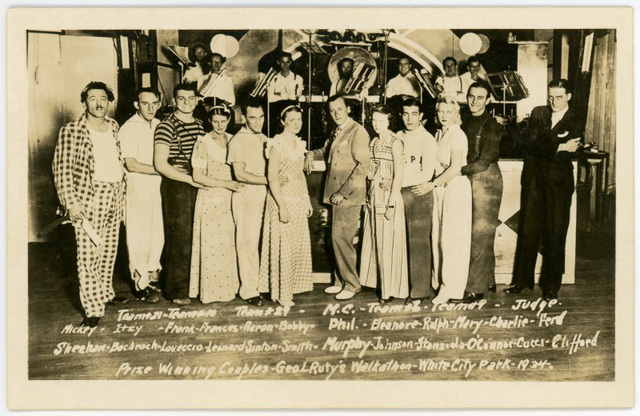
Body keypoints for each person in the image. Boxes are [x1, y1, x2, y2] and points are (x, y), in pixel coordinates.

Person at [52, 81, 128, 327]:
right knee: (88, 254)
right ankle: (93, 309)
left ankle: (104, 295)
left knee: (108, 251)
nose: (98, 103)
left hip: (114, 195)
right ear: (84, 102)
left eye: (103, 98)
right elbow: (61, 171)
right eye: (93, 98)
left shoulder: (114, 126)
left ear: (109, 102)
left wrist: (123, 195)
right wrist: (72, 204)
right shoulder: (71, 130)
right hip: (88, 199)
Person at [506, 79, 582, 301]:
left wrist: (545, 144)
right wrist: (558, 145)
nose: (554, 101)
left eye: (559, 97)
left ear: (568, 96)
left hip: (559, 184)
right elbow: (527, 143)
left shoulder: (576, 118)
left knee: (555, 234)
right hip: (534, 182)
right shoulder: (539, 113)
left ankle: (551, 287)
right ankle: (521, 281)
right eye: (551, 96)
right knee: (528, 231)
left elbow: (569, 147)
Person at [304, 95, 370, 301]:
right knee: (336, 239)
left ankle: (352, 284)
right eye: (332, 111)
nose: (336, 114)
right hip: (337, 196)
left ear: (348, 109)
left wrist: (343, 193)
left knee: (342, 239)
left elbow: (364, 167)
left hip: (348, 196)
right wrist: (309, 154)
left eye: (339, 109)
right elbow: (325, 152)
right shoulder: (336, 131)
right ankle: (340, 281)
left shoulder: (358, 131)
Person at [154, 83, 207, 306]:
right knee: (180, 238)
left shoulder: (200, 125)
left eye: (191, 98)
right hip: (177, 184)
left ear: (196, 100)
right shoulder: (166, 126)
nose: (186, 103)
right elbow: (160, 164)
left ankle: (194, 285)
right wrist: (187, 178)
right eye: (181, 99)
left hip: (197, 181)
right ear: (174, 101)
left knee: (197, 235)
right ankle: (176, 290)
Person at [259, 105, 314, 307]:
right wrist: (282, 206)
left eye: (299, 119)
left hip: (298, 202)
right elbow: (272, 178)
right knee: (285, 248)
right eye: (291, 120)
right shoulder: (276, 144)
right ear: (282, 121)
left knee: (296, 247)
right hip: (281, 202)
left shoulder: (298, 144)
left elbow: (299, 175)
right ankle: (282, 294)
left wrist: (306, 199)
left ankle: (291, 289)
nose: (296, 123)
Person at [189, 104, 244, 303]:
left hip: (230, 199)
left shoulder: (233, 140)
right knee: (212, 245)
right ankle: (211, 292)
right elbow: (197, 176)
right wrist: (226, 184)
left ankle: (228, 289)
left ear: (229, 120)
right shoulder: (202, 141)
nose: (219, 125)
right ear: (209, 121)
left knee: (228, 244)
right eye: (215, 121)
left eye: (223, 121)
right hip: (211, 198)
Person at [455, 82, 503, 303]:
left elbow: (483, 162)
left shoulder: (491, 125)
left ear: (489, 100)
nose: (474, 102)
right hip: (469, 177)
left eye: (480, 98)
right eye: (471, 97)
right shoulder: (464, 119)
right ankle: (489, 279)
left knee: (480, 234)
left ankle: (475, 287)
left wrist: (456, 170)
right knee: (477, 231)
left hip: (485, 179)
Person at [359, 105, 408, 304]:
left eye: (381, 120)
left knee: (389, 244)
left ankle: (389, 292)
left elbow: (400, 175)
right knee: (377, 243)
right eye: (374, 121)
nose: (377, 125)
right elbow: (370, 171)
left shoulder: (396, 142)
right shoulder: (373, 142)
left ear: (390, 121)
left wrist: (390, 205)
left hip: (389, 198)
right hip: (374, 196)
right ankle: (380, 285)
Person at [120, 87, 163, 303]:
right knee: (139, 237)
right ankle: (139, 284)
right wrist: (162, 169)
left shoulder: (157, 125)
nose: (150, 108)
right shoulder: (129, 128)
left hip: (156, 187)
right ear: (136, 105)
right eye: (145, 103)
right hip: (138, 188)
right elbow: (131, 164)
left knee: (156, 234)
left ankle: (151, 278)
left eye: (154, 103)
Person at [429, 96, 472, 304]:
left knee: (451, 240)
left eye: (448, 112)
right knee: (438, 237)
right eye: (441, 112)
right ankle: (439, 284)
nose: (444, 116)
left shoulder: (458, 135)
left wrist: (432, 184)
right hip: (441, 189)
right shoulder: (440, 134)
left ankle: (452, 288)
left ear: (456, 115)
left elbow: (455, 168)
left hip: (455, 189)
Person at [395, 98, 438, 306]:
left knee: (418, 243)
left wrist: (397, 182)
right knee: (400, 242)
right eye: (405, 113)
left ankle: (421, 291)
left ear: (421, 116)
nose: (409, 118)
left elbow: (427, 173)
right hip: (399, 192)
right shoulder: (397, 135)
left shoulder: (427, 139)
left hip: (418, 194)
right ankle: (401, 287)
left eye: (414, 114)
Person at [227, 98, 269, 307]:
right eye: (252, 118)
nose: (258, 122)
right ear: (244, 118)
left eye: (261, 117)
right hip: (246, 197)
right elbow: (239, 174)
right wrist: (268, 180)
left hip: (263, 195)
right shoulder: (238, 140)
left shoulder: (264, 138)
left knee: (260, 242)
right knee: (247, 244)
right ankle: (248, 289)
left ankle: (260, 284)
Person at [265, 51, 304, 136]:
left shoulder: (297, 78)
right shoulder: (273, 78)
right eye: (282, 62)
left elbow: (294, 97)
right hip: (276, 109)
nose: (285, 65)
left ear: (290, 62)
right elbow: (270, 98)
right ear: (278, 62)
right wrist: (286, 95)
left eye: (287, 62)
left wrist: (279, 94)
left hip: (292, 109)